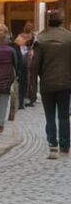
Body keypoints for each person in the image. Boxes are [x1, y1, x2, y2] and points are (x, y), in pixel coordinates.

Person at [30, 11, 71, 159]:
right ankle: (65, 148)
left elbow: (34, 65)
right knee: (64, 116)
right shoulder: (69, 37)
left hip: (47, 83)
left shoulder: (40, 38)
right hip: (65, 83)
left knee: (50, 116)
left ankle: (53, 146)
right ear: (62, 20)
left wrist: (33, 84)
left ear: (48, 21)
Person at [16, 23, 37, 107]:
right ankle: (30, 98)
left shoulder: (20, 36)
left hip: (23, 58)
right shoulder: (33, 36)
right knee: (30, 78)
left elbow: (17, 45)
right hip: (31, 58)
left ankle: (23, 98)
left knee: (24, 79)